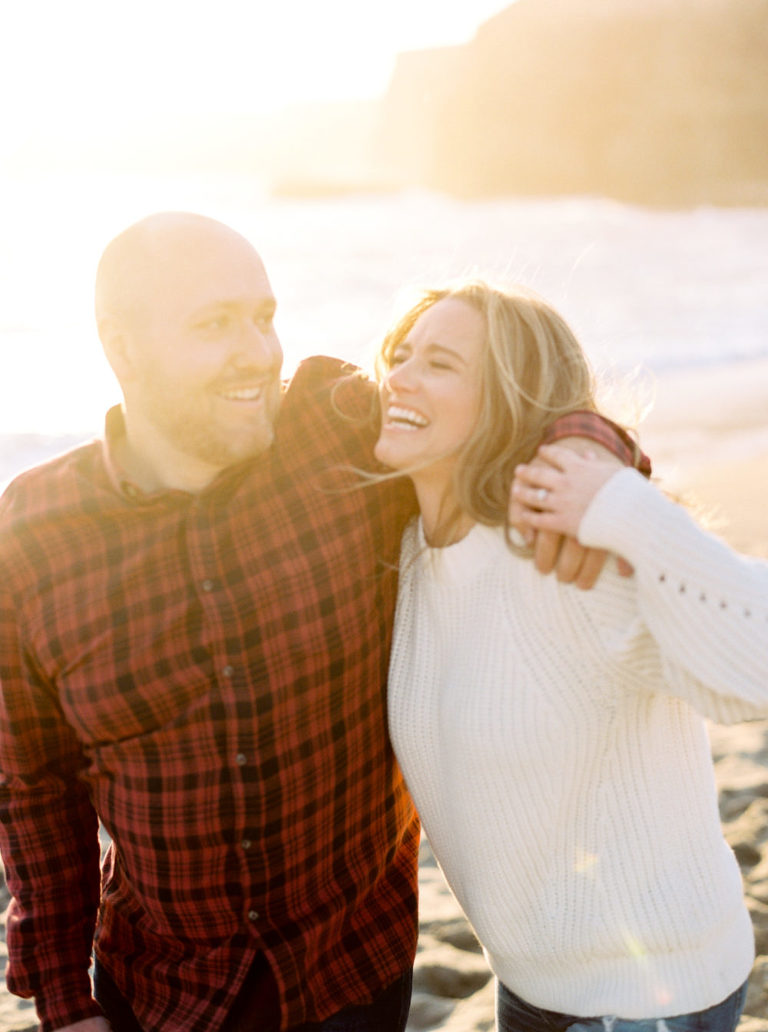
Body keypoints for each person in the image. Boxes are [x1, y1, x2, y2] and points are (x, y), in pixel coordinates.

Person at [0, 214, 641, 1032]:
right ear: (121, 346)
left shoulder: (334, 427)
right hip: (164, 996)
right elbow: (33, 789)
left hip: (355, 969)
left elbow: (510, 404)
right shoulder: (34, 532)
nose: (260, 351)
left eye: (264, 317)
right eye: (214, 325)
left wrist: (589, 450)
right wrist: (64, 1004)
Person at [377, 279, 768, 1032]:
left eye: (442, 364)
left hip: (650, 997)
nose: (399, 377)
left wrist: (626, 503)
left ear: (507, 401)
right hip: (528, 987)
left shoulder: (570, 559)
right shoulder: (405, 553)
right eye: (401, 354)